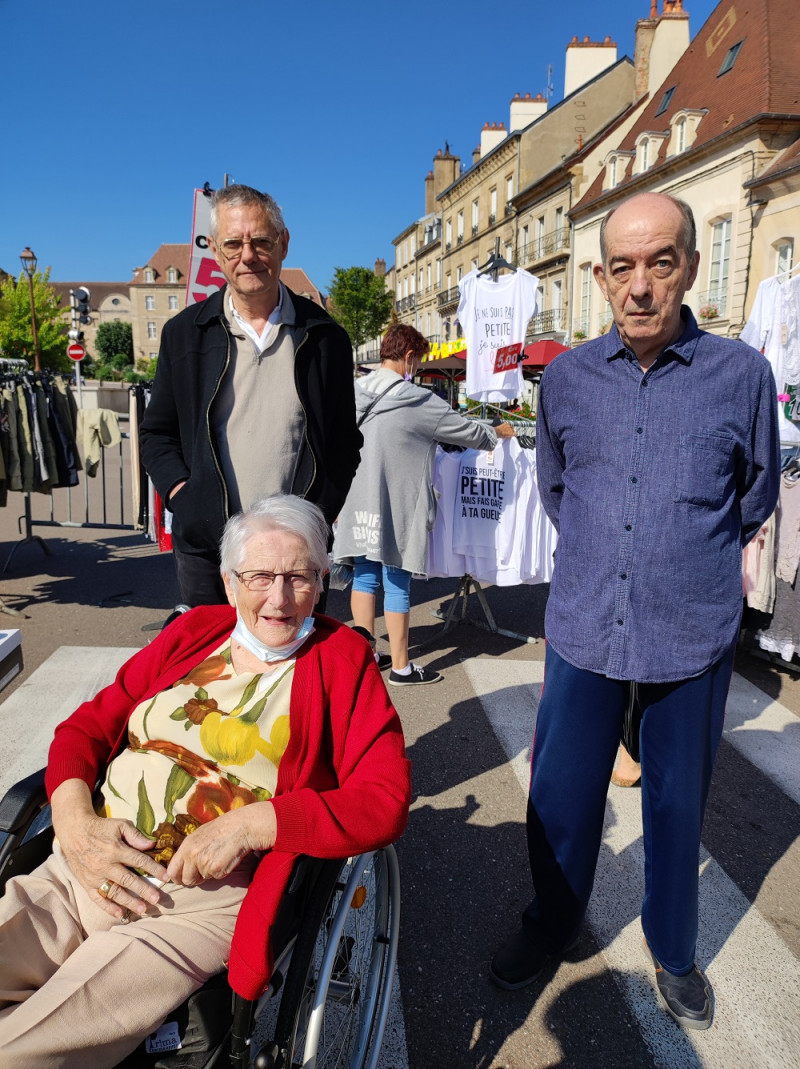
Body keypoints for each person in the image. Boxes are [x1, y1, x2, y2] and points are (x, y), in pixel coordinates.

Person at [490, 193, 780, 1031]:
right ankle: (551, 922)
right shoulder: (570, 379)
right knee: (561, 795)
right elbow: (556, 489)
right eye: (623, 266)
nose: (641, 285)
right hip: (584, 625)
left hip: (689, 631)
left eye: (661, 262)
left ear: (689, 265)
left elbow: (753, 495)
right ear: (601, 275)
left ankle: (674, 947)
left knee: (677, 805)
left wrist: (674, 557)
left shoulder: (742, 376)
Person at [0, 494, 410, 1067]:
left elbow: (384, 801)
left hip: (191, 902)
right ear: (228, 580)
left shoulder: (341, 660)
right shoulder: (196, 630)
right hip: (85, 863)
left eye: (299, 576)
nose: (279, 597)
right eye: (260, 575)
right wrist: (72, 819)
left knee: (22, 1052)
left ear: (321, 583)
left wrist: (253, 824)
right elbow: (89, 725)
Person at [139, 184, 362, 607]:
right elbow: (157, 435)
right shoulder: (185, 334)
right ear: (216, 251)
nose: (248, 256)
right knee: (212, 668)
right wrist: (184, 496)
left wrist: (320, 513)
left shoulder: (325, 337)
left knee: (293, 667)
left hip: (296, 549)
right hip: (208, 547)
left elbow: (344, 442)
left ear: (283, 245)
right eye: (234, 243)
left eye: (260, 241)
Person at [332, 324, 514, 686]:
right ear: (410, 356)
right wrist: (496, 433)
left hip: (357, 501)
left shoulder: (351, 392)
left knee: (365, 577)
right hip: (397, 505)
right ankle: (401, 667)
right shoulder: (416, 399)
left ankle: (366, 655)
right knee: (397, 582)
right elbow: (464, 431)